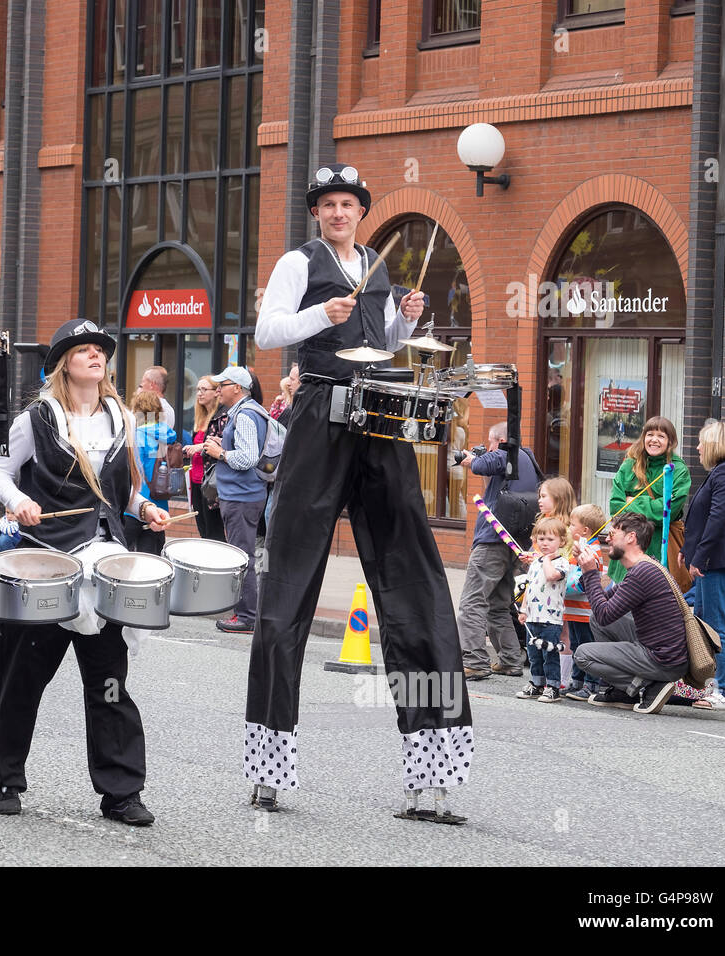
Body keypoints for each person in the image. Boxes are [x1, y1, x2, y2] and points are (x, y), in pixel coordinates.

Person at [247, 162, 465, 820]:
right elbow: (267, 333)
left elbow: (383, 345)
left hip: (379, 414)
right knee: (287, 584)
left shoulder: (376, 261)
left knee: (415, 581)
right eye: (329, 205)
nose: (339, 213)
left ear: (360, 212)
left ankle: (434, 770)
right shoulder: (297, 262)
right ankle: (269, 767)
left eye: (349, 204)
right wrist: (322, 311)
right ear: (317, 212)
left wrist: (403, 319)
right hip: (317, 413)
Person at [0, 318, 169, 825]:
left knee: (110, 682)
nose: (95, 356)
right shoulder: (37, 417)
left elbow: (119, 491)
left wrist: (143, 507)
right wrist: (19, 501)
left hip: (103, 561)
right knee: (23, 677)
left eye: (100, 350)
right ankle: (6, 777)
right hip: (46, 560)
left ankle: (122, 793)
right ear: (64, 362)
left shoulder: (118, 416)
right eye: (83, 349)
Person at [575, 513, 688, 714]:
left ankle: (645, 687)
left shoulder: (642, 573)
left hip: (662, 660)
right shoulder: (644, 567)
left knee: (583, 655)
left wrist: (591, 573)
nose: (607, 539)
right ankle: (624, 692)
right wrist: (586, 570)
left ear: (631, 537)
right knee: (597, 622)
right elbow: (604, 605)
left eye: (612, 533)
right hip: (663, 652)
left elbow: (604, 613)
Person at [454, 422, 540, 680]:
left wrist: (471, 459)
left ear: (501, 440)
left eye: (490, 443)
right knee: (498, 604)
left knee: (472, 602)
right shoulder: (528, 458)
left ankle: (474, 661)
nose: (489, 448)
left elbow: (481, 465)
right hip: (514, 542)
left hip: (492, 539)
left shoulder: (505, 454)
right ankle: (511, 659)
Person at [679, 420, 725, 711]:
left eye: (701, 442)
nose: (697, 447)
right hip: (712, 561)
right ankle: (710, 686)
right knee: (706, 626)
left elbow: (717, 520)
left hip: (719, 563)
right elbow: (703, 518)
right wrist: (688, 549)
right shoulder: (720, 473)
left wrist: (699, 557)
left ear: (715, 445)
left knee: (718, 627)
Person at [204, 366, 267, 634]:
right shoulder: (247, 411)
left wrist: (220, 453)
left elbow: (248, 457)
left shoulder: (245, 415)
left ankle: (247, 617)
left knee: (242, 557)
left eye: (223, 385)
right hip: (244, 494)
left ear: (238, 388)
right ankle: (246, 613)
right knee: (243, 554)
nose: (218, 389)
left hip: (242, 496)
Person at [607, 416, 690, 584]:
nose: (654, 440)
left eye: (661, 436)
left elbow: (666, 512)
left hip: (658, 553)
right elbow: (616, 507)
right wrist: (651, 505)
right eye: (650, 434)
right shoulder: (628, 466)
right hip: (625, 556)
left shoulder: (679, 471)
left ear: (670, 442)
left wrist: (632, 502)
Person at [515, 516, 570, 703]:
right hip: (533, 616)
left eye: (550, 539)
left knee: (549, 654)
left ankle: (553, 686)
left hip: (550, 618)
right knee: (534, 654)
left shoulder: (561, 563)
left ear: (561, 541)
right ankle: (537, 683)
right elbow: (530, 587)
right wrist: (523, 610)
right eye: (541, 539)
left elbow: (551, 575)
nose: (544, 543)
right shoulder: (535, 563)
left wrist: (545, 559)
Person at [124, 388, 177, 555]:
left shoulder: (136, 435)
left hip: (135, 504)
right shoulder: (167, 435)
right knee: (152, 559)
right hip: (159, 505)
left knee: (121, 558)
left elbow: (131, 469)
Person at [562, 503, 606, 701]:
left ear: (585, 530)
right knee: (577, 645)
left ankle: (591, 683)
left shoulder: (592, 548)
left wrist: (580, 556)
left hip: (584, 609)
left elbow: (594, 567)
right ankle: (577, 681)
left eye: (572, 525)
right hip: (573, 608)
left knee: (586, 645)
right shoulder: (581, 547)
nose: (569, 528)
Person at [182, 375, 227, 541]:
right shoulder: (200, 417)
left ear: (216, 392)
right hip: (196, 480)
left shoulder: (222, 416)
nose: (199, 393)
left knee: (214, 532)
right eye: (198, 390)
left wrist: (198, 447)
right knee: (202, 529)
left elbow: (222, 443)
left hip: (211, 481)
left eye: (204, 389)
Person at [137, 365, 174, 430]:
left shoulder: (153, 407)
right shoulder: (169, 409)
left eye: (143, 382)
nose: (141, 385)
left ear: (151, 384)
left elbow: (146, 435)